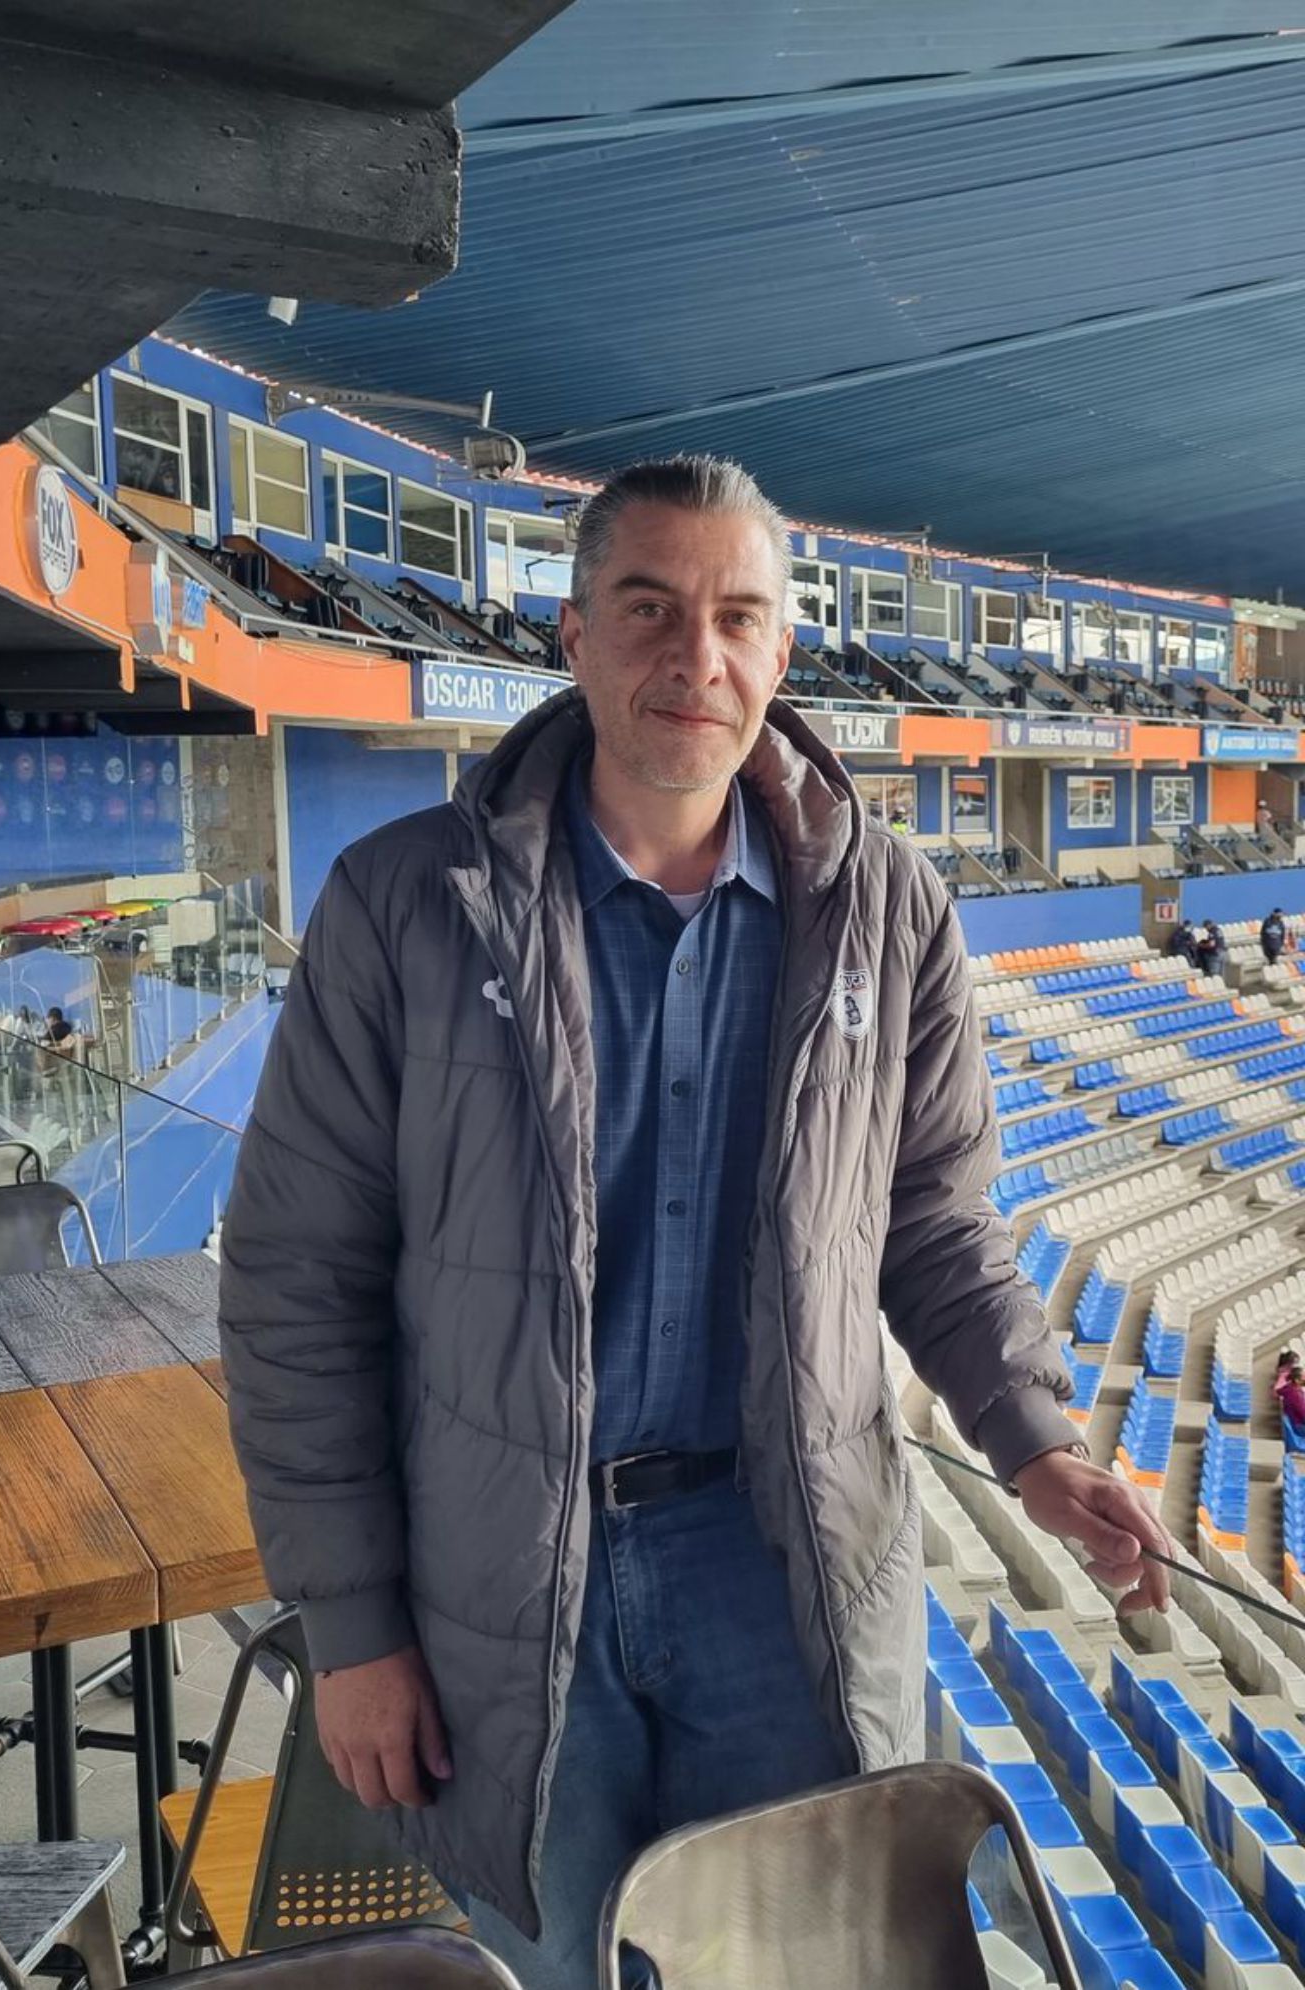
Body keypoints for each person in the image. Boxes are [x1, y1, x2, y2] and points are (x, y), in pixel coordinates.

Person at [218, 455, 1171, 1989]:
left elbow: (934, 1224)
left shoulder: (892, 912)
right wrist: (352, 1623)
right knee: (564, 1965)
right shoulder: (399, 906)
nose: (696, 655)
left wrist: (1036, 1437)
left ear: (785, 654)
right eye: (650, 607)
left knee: (792, 1964)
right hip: (508, 1582)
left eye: (736, 615)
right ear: (575, 635)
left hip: (777, 1566)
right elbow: (293, 1285)